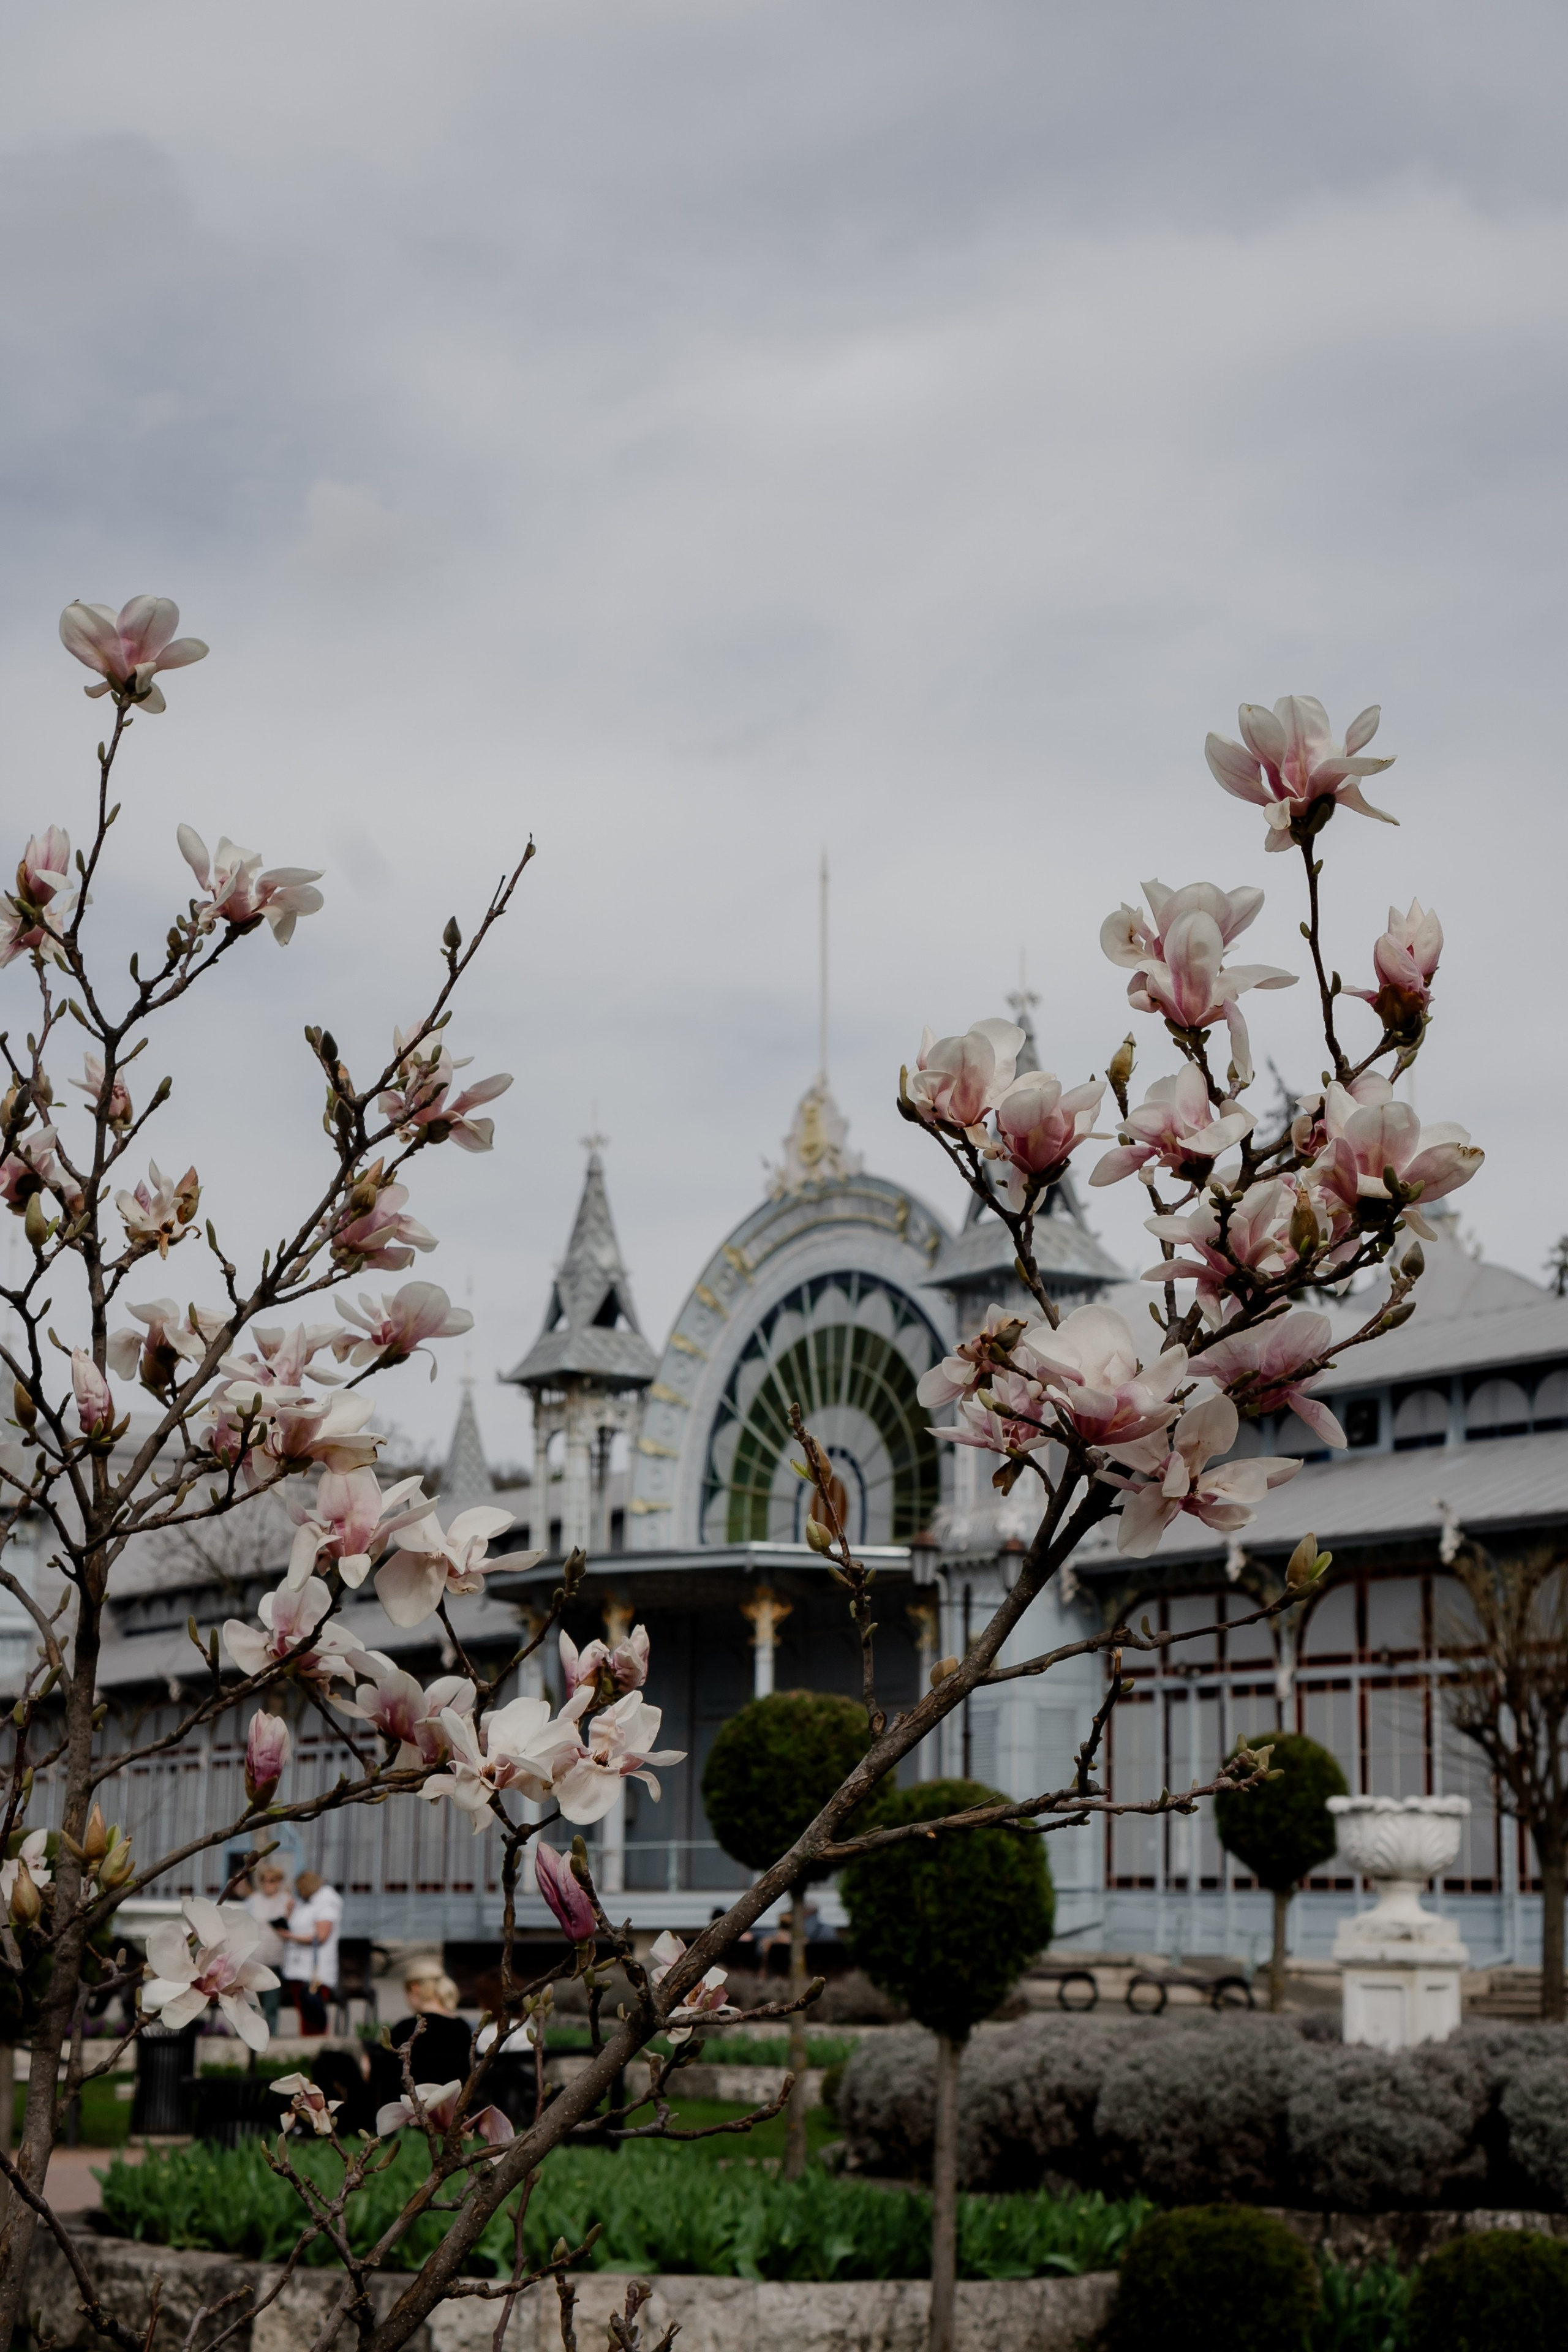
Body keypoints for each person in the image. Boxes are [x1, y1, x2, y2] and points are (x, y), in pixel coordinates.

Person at [279, 1869, 342, 2037]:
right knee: (303, 2013)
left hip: (315, 1972)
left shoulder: (327, 1903)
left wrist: (291, 1937)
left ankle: (316, 2047)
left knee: (313, 2013)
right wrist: (289, 1911)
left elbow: (321, 1936)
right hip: (298, 1969)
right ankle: (307, 2048)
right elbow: (294, 1925)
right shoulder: (305, 1902)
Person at [242, 1862, 293, 2035]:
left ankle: (271, 2034)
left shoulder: (287, 1901)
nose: (268, 1884)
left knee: (272, 2002)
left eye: (272, 1881)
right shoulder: (253, 1901)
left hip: (275, 1958)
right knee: (250, 2000)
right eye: (265, 1881)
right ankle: (248, 2032)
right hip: (254, 1958)